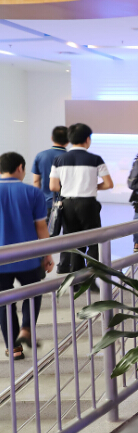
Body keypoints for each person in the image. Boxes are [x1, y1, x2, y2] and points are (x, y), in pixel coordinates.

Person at [0, 152, 55, 359]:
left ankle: (13, 348)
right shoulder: (33, 193)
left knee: (4, 302)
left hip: (1, 260)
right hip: (28, 257)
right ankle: (26, 328)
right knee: (33, 293)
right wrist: (47, 254)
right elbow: (41, 227)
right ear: (20, 168)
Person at [49, 123, 113, 272]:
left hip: (67, 205)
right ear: (87, 139)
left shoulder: (59, 159)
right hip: (88, 204)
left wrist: (70, 187)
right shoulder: (95, 159)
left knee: (74, 243)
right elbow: (109, 184)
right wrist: (91, 186)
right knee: (94, 240)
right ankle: (93, 274)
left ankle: (77, 277)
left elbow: (53, 186)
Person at [31, 126, 69, 273]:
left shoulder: (41, 156)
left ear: (52, 138)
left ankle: (41, 266)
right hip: (66, 202)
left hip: (45, 203)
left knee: (43, 236)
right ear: (68, 140)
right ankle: (64, 266)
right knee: (68, 235)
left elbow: (36, 181)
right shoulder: (69, 157)